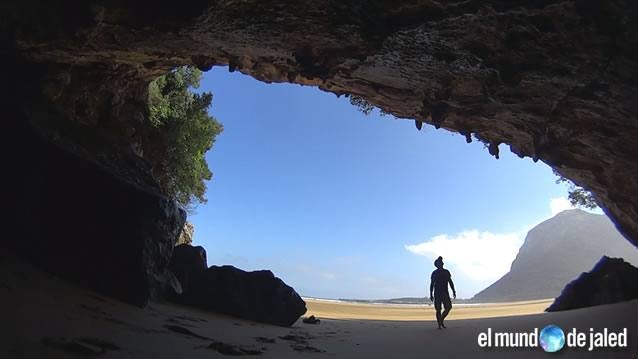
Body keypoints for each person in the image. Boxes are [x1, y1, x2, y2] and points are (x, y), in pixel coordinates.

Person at [429, 256, 456, 329]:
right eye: (440, 262)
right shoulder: (434, 273)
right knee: (438, 309)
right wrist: (431, 294)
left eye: (442, 262)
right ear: (437, 264)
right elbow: (432, 284)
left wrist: (453, 290)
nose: (442, 263)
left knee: (448, 307)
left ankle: (441, 320)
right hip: (437, 293)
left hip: (445, 293)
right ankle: (439, 325)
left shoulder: (446, 272)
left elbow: (450, 282)